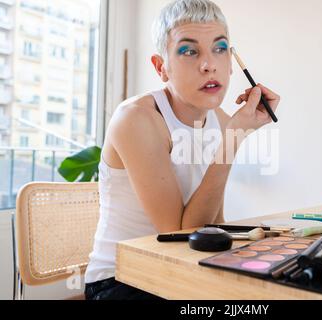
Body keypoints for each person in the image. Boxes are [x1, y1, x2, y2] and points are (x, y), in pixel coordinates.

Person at [84, 0, 280, 300]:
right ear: (161, 67)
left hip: (181, 268)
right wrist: (234, 139)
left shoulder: (222, 120)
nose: (209, 64)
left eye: (220, 48)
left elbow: (210, 224)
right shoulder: (137, 119)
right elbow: (178, 235)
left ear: (231, 62)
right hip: (121, 279)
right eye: (189, 51)